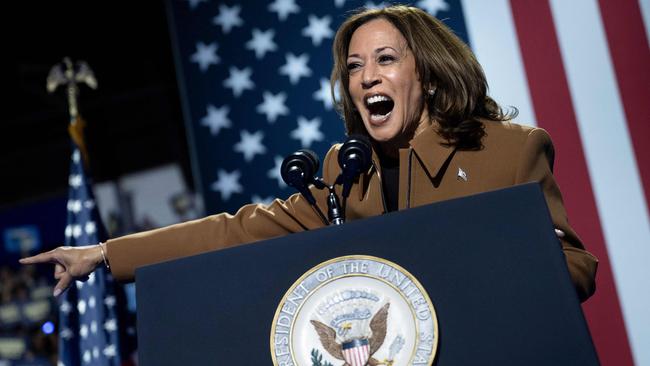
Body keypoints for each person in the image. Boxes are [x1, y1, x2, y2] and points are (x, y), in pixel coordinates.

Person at [20, 5, 597, 302]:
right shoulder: (346, 175)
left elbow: (576, 269)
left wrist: (482, 259)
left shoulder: (508, 151)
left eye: (386, 60)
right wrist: (104, 252)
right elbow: (237, 231)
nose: (366, 76)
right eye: (353, 67)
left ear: (430, 74)